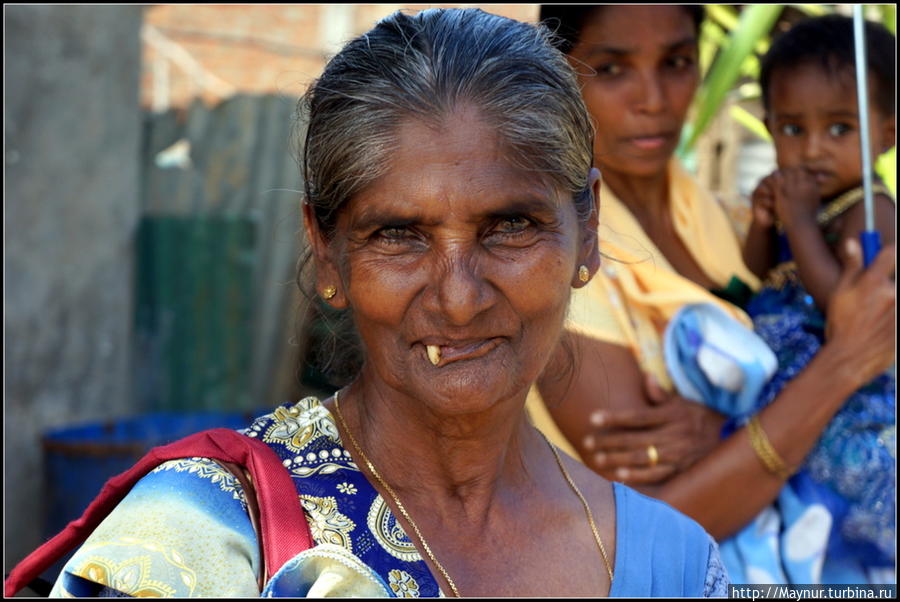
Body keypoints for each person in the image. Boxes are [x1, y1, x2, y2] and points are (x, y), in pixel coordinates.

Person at [47, 8, 730, 597]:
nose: (460, 299)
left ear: (587, 233)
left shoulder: (679, 566)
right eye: (398, 235)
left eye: (511, 226)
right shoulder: (204, 536)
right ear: (327, 252)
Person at [529, 4, 896, 586]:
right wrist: (844, 365)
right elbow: (655, 519)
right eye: (613, 68)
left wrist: (732, 428)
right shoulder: (552, 254)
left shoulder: (709, 210)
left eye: (676, 62)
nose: (654, 99)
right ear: (559, 71)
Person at [740, 14, 896, 578]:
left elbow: (847, 313)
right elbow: (761, 271)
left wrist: (801, 222)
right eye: (790, 129)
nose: (811, 150)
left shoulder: (872, 213)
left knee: (831, 474)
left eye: (838, 129)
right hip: (787, 376)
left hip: (849, 390)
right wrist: (765, 222)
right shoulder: (803, 198)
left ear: (886, 133)